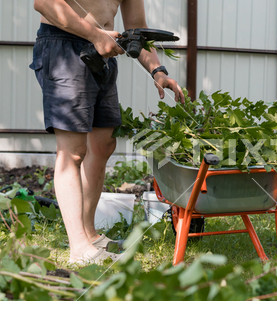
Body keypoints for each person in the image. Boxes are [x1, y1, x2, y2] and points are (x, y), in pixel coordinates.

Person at [30, 0, 185, 264]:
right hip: (64, 46)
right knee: (73, 151)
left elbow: (137, 27)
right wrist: (94, 35)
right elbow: (45, 3)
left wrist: (157, 71)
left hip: (103, 52)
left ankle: (89, 234)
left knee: (102, 145)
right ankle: (78, 246)